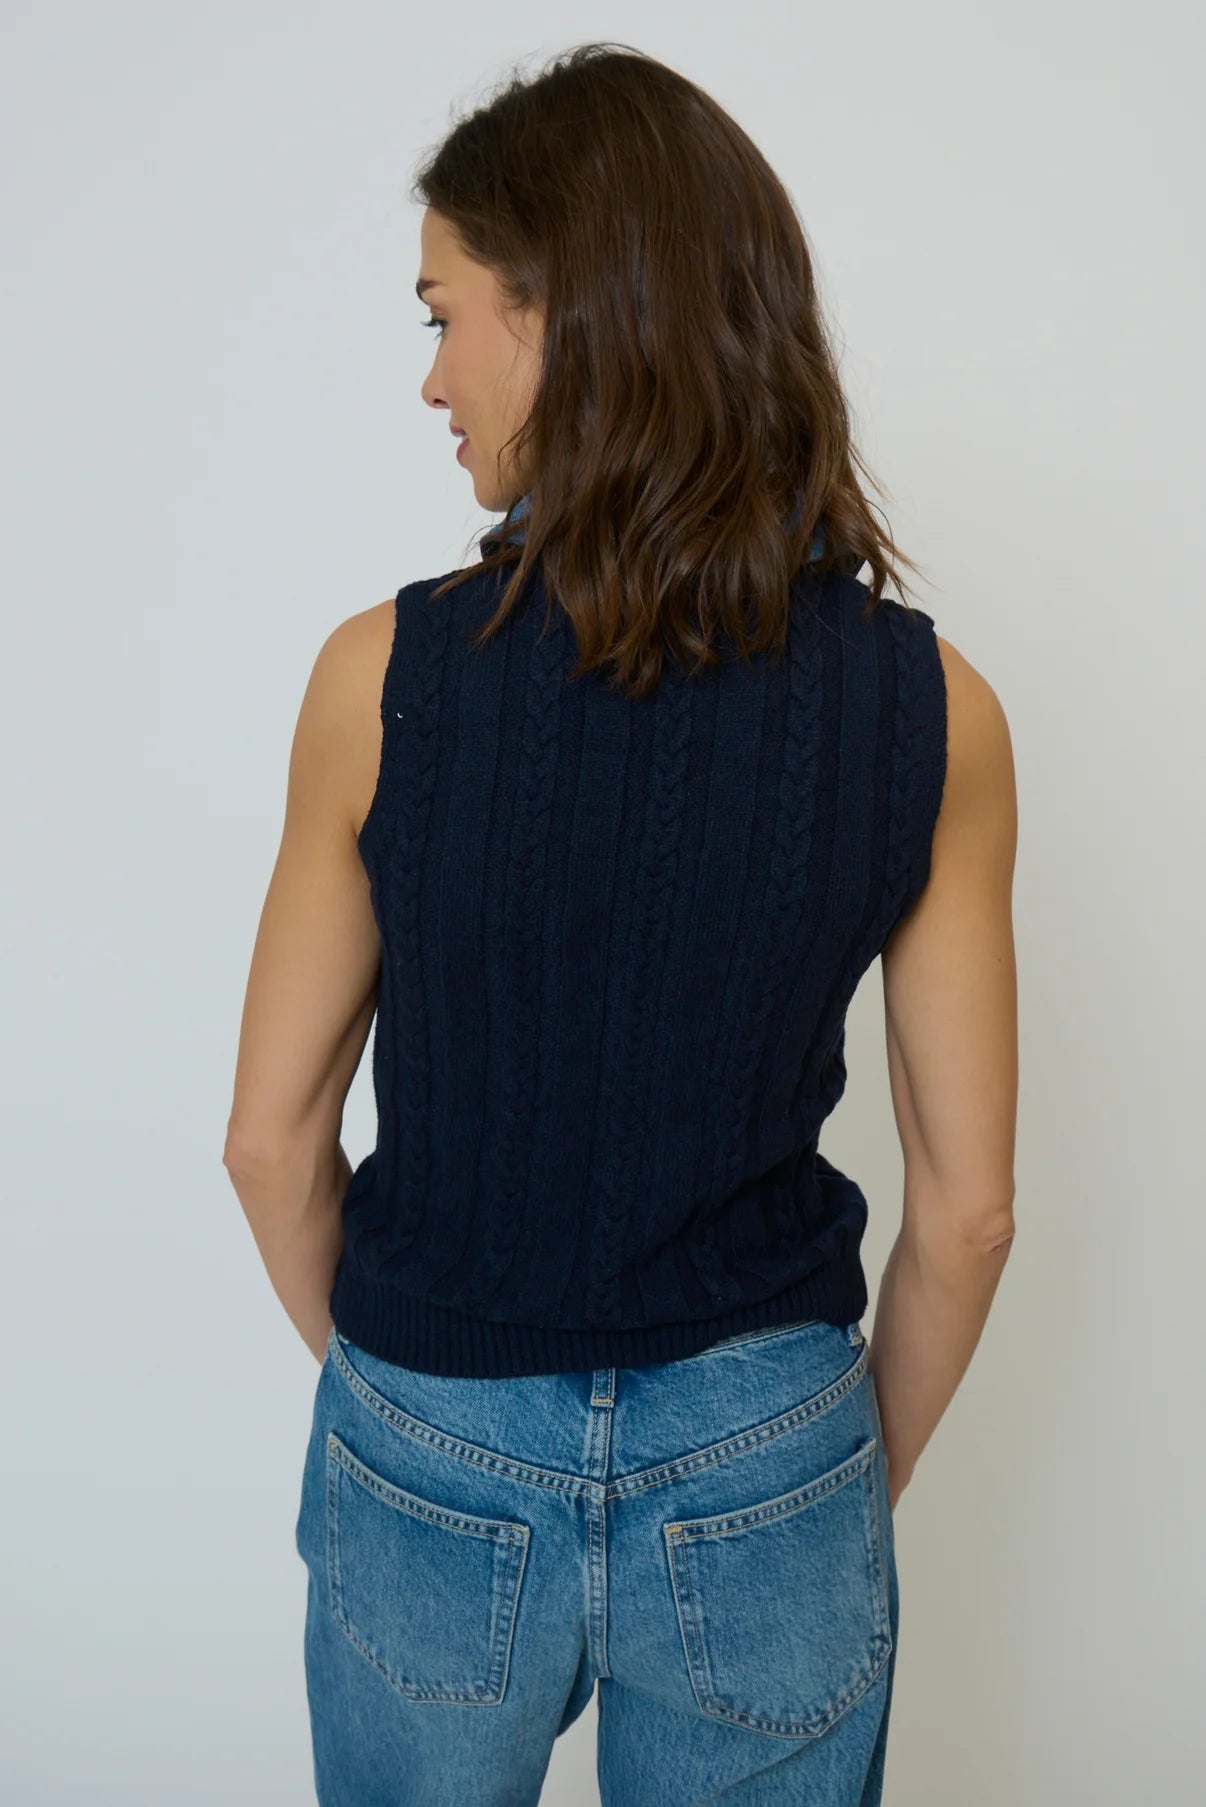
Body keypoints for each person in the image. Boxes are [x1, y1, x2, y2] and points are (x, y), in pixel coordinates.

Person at [222, 42, 1017, 1807]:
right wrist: (804, 1486)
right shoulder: (933, 713)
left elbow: (271, 1143)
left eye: (443, 315)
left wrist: (419, 1422)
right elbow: (965, 1218)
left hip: (435, 1412)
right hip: (770, 1448)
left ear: (559, 314)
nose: (430, 380)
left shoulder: (385, 681)